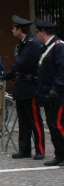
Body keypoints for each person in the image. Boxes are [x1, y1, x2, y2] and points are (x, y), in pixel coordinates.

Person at [0, 15, 45, 160]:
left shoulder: (32, 43)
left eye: (13, 28)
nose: (11, 30)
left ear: (19, 29)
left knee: (34, 120)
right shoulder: (21, 44)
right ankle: (24, 149)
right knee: (23, 121)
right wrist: (5, 76)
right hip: (21, 87)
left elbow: (21, 65)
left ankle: (40, 150)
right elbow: (16, 67)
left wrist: (17, 56)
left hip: (30, 87)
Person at [34, 19, 64, 166]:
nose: (36, 35)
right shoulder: (47, 47)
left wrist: (55, 88)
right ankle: (59, 155)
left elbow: (62, 70)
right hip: (47, 93)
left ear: (42, 32)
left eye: (37, 32)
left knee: (59, 125)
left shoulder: (58, 47)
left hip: (58, 94)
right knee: (52, 125)